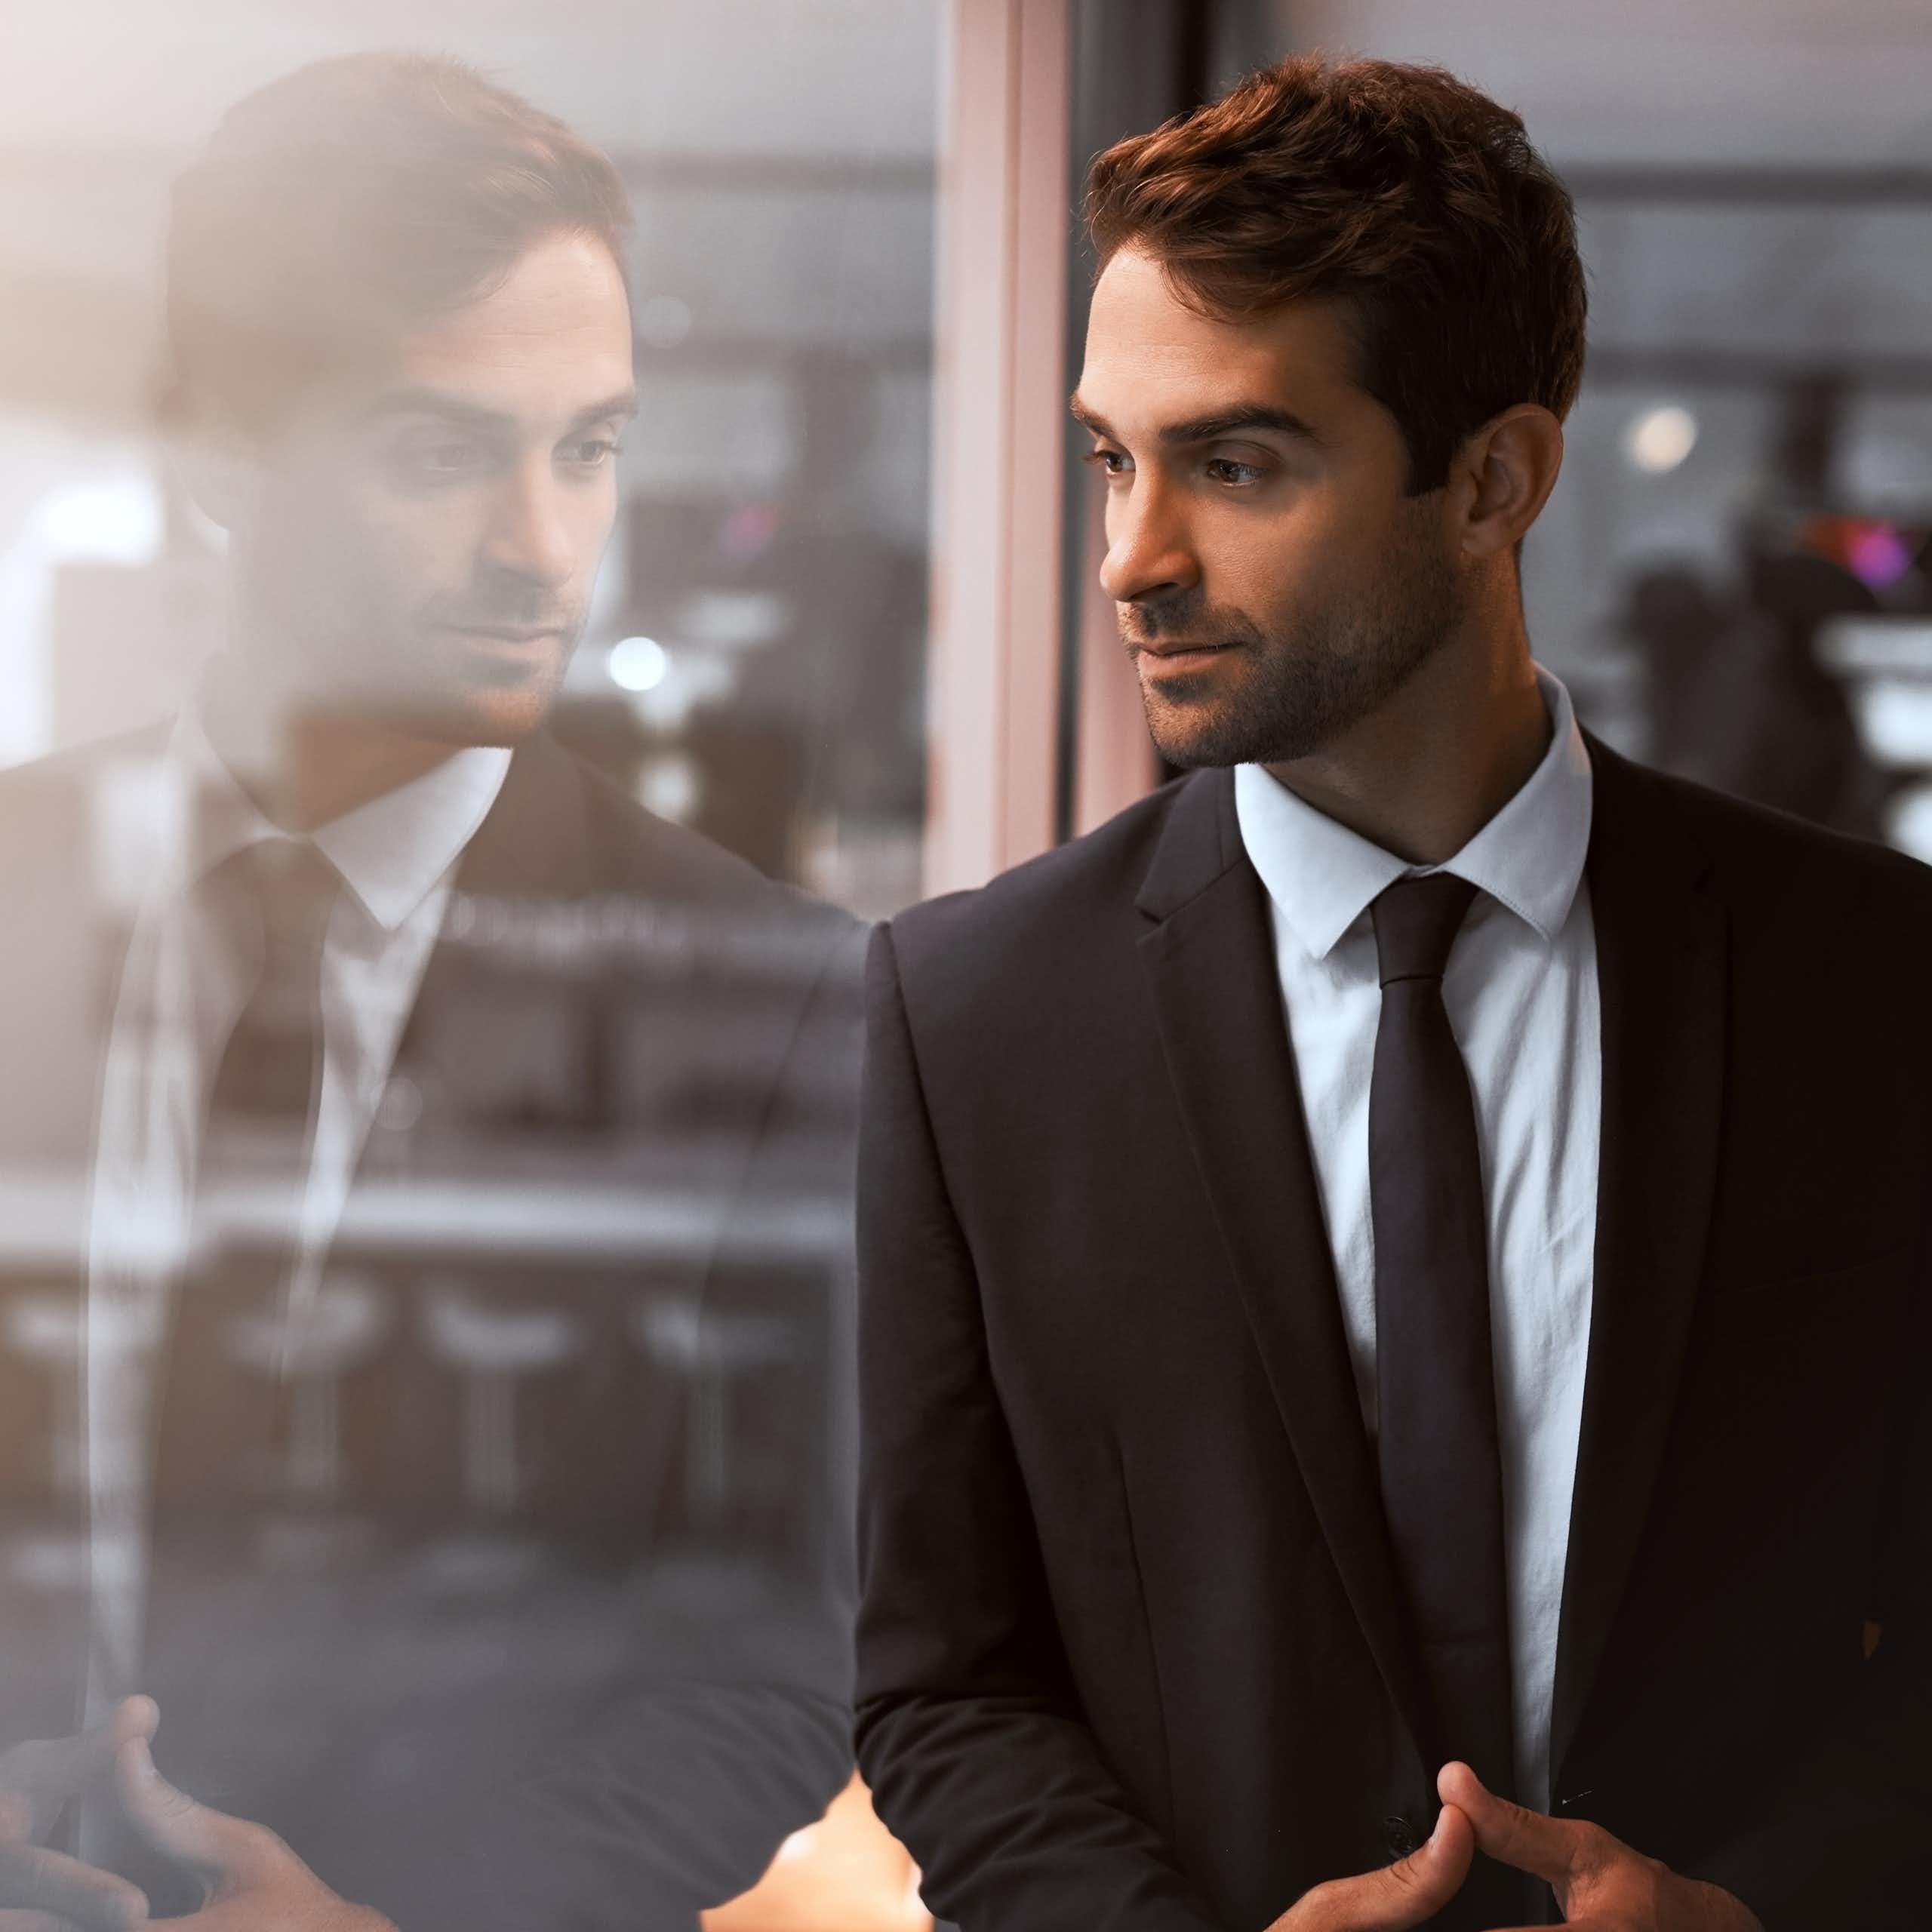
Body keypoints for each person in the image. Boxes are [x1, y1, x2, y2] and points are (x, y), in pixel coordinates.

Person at [854, 55, 1929, 1932]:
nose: (1131, 559)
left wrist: (1753, 1915)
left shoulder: (1875, 978)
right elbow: (947, 1679)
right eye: (1113, 455)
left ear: (1492, 481)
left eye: (1235, 463)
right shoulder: (973, 1016)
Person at [0, 52, 861, 1932]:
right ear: (213, 448)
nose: (539, 549)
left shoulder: (778, 999)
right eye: (440, 448)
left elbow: (772, 1662)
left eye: (588, 447)